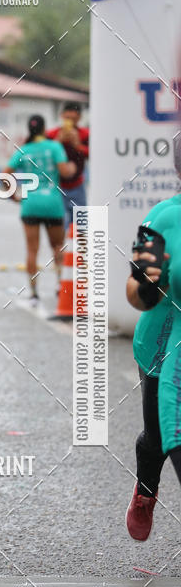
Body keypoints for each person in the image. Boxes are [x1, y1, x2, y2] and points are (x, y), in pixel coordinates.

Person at [126, 136, 181, 539]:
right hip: (163, 347)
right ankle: (146, 490)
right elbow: (134, 289)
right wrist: (147, 285)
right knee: (159, 438)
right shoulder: (162, 218)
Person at [4, 114, 75, 304]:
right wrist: (73, 167)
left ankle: (34, 292)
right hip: (52, 203)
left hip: (30, 204)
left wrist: (13, 196)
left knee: (32, 250)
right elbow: (65, 172)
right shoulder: (54, 147)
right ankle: (61, 285)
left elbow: (5, 175)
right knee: (57, 246)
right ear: (44, 129)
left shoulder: (23, 150)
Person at [46, 102, 89, 228]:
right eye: (67, 118)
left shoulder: (85, 134)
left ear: (79, 118)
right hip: (57, 186)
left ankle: (80, 248)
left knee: (81, 226)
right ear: (61, 116)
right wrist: (57, 142)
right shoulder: (52, 134)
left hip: (78, 185)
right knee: (58, 224)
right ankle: (62, 248)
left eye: (73, 119)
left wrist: (77, 145)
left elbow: (94, 155)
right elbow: (45, 156)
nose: (69, 121)